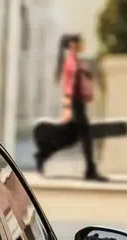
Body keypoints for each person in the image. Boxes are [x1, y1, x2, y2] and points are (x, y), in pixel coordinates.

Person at [35, 33, 107, 182]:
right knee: (84, 136)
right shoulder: (71, 62)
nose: (83, 45)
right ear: (73, 44)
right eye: (81, 42)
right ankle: (90, 170)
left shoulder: (74, 60)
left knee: (70, 137)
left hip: (77, 103)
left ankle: (43, 154)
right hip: (75, 104)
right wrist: (68, 107)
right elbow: (69, 86)